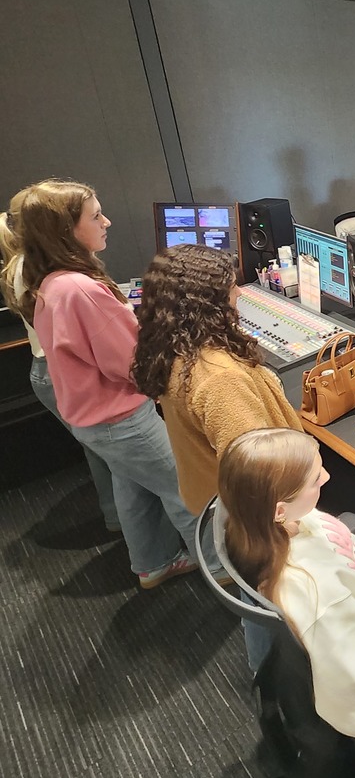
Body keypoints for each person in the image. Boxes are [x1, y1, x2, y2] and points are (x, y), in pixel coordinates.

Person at [15, 179, 198, 589]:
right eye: (96, 215)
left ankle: (154, 563)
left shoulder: (51, 283)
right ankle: (225, 575)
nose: (107, 221)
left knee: (132, 486)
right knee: (188, 491)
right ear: (65, 230)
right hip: (122, 419)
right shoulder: (81, 289)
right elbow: (136, 367)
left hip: (93, 422)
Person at [220, 428, 355, 740]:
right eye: (314, 479)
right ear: (279, 509)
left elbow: (346, 545)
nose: (327, 477)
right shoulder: (316, 594)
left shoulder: (280, 525)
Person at [131, 244, 304, 516]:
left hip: (209, 497)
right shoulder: (220, 379)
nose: (240, 292)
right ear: (208, 302)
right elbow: (256, 477)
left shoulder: (172, 348)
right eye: (233, 286)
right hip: (254, 518)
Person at [0, 197, 119, 533]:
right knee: (108, 452)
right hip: (55, 372)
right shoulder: (48, 273)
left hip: (47, 370)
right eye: (95, 216)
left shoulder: (26, 265)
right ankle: (124, 522)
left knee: (99, 450)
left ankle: (120, 520)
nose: (104, 222)